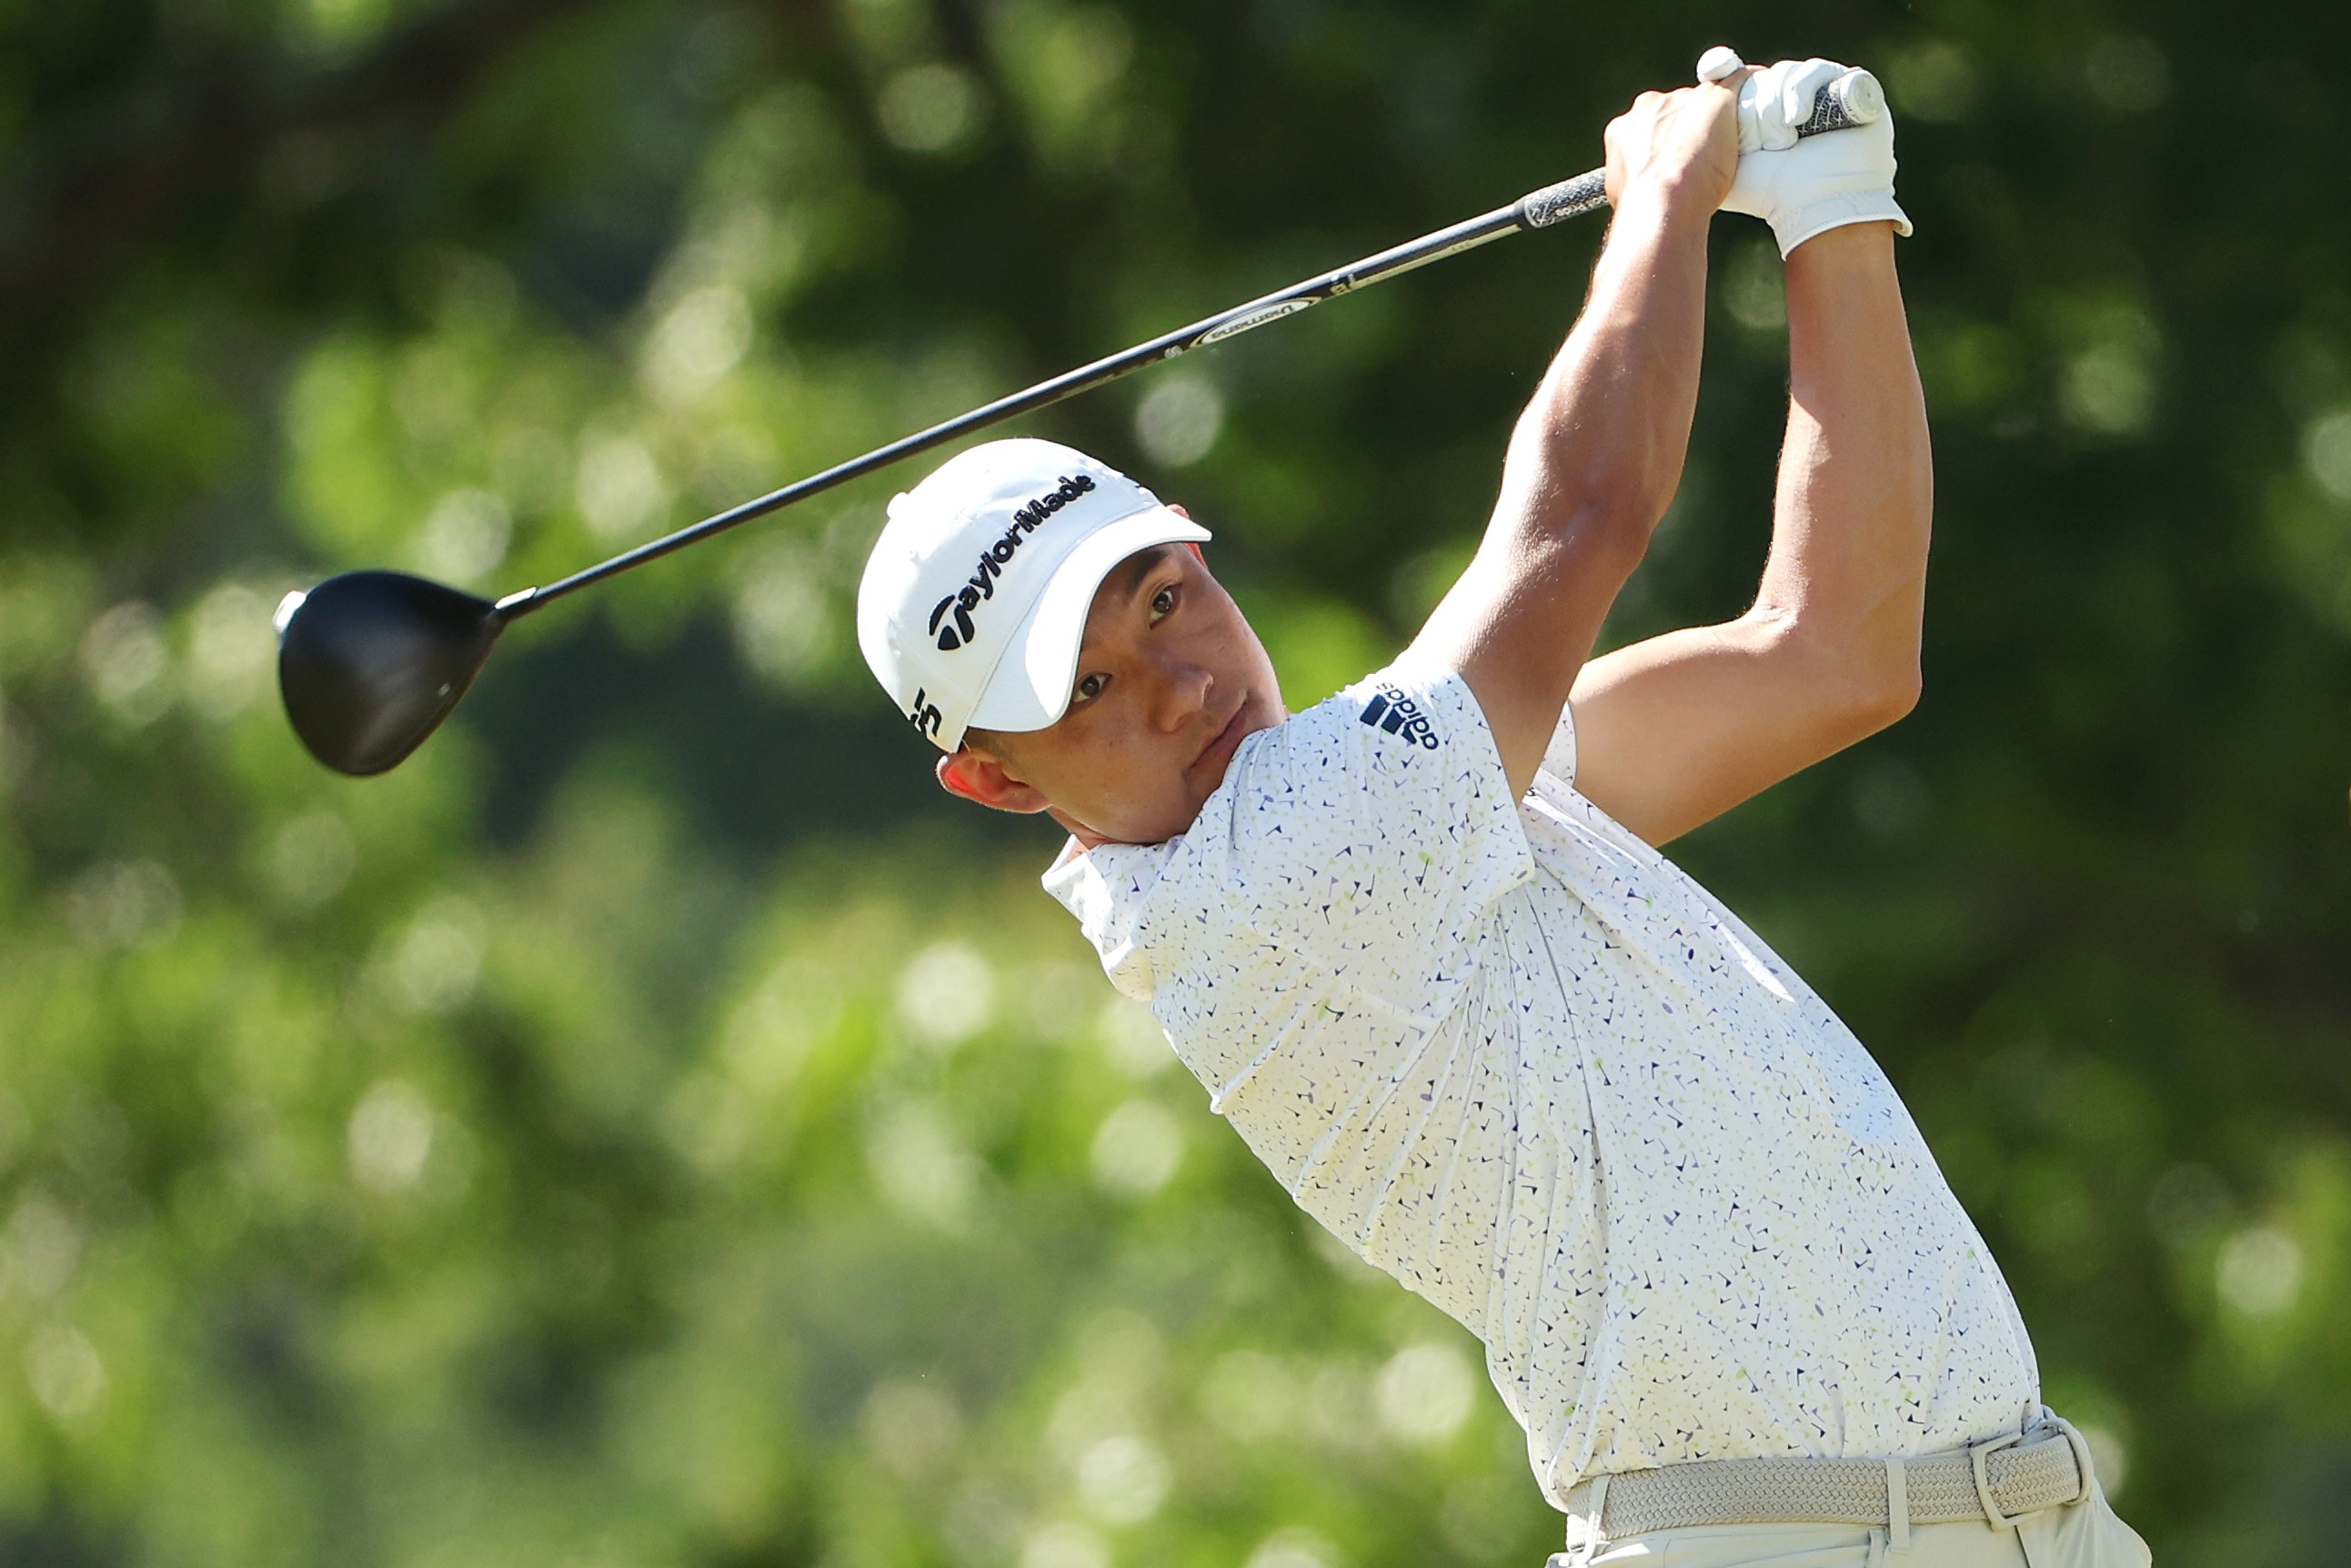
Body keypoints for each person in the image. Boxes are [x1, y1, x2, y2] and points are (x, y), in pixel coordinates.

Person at [855, 50, 2151, 1568]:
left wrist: (1831, 218)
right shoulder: (1279, 875)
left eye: (1161, 601)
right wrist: (1661, 196)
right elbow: (1582, 514)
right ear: (996, 782)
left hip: (2026, 1524)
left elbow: (1832, 655)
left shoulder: (1431, 794)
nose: (1173, 685)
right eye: (1081, 692)